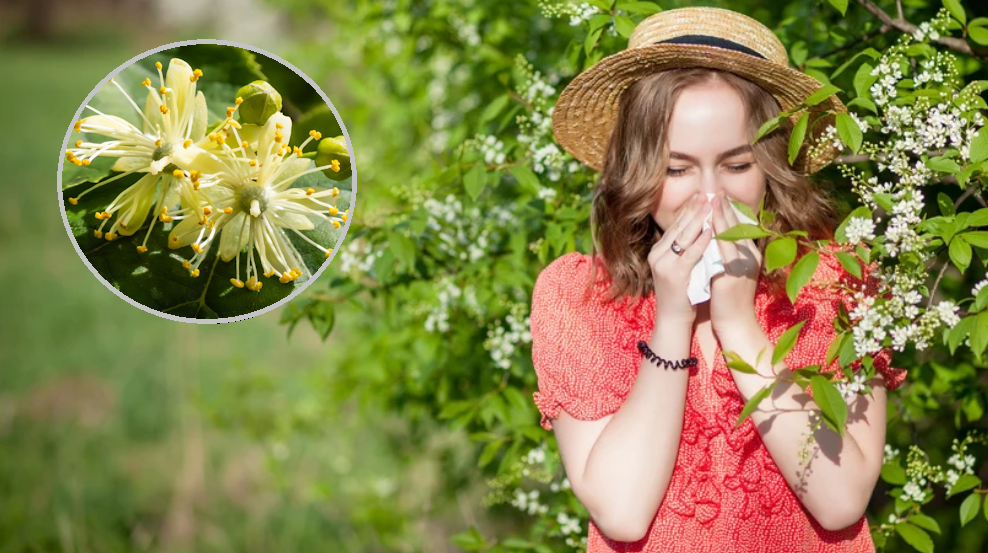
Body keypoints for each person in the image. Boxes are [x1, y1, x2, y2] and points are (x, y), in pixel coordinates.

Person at [529, 7, 908, 553]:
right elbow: (622, 512)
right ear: (637, 170)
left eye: (736, 165)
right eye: (677, 169)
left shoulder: (834, 283)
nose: (710, 196)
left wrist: (736, 321)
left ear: (771, 165)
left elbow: (841, 499)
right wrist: (673, 317)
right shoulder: (581, 297)